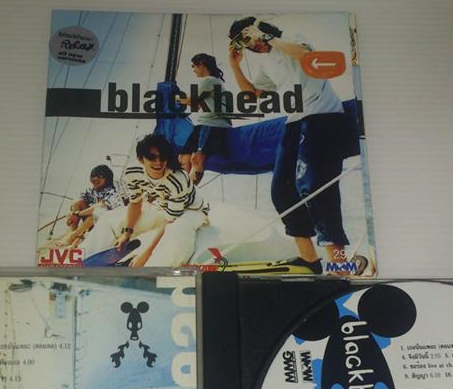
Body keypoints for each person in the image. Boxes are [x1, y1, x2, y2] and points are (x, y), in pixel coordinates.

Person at [228, 16, 350, 274]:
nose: (251, 46)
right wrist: (234, 65)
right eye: (244, 43)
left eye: (250, 38)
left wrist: (267, 37)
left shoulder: (292, 38)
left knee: (316, 189)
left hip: (323, 117)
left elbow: (306, 56)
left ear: (260, 30)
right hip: (295, 121)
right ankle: (310, 260)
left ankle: (339, 265)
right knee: (281, 191)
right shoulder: (265, 62)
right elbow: (252, 96)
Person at [113, 134, 210, 267]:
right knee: (115, 220)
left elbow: (169, 221)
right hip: (165, 208)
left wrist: (145, 256)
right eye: (151, 157)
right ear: (141, 159)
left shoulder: (177, 179)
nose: (158, 162)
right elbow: (135, 202)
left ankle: (153, 269)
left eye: (162, 157)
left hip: (193, 210)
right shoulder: (132, 172)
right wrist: (126, 233)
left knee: (177, 231)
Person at [178, 54, 231, 185]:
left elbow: (191, 100)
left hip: (212, 124)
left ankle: (188, 192)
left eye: (194, 66)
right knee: (183, 159)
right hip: (203, 124)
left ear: (201, 64)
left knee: (197, 159)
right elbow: (195, 104)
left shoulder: (210, 80)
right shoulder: (213, 82)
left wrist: (173, 97)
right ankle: (180, 187)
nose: (193, 70)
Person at [53, 165, 124, 248]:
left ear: (107, 178)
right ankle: (74, 233)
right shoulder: (91, 191)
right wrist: (71, 215)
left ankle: (73, 236)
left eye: (100, 176)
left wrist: (77, 214)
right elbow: (77, 203)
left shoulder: (112, 191)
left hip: (111, 224)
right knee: (77, 203)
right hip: (95, 222)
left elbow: (100, 206)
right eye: (93, 176)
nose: (95, 178)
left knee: (97, 212)